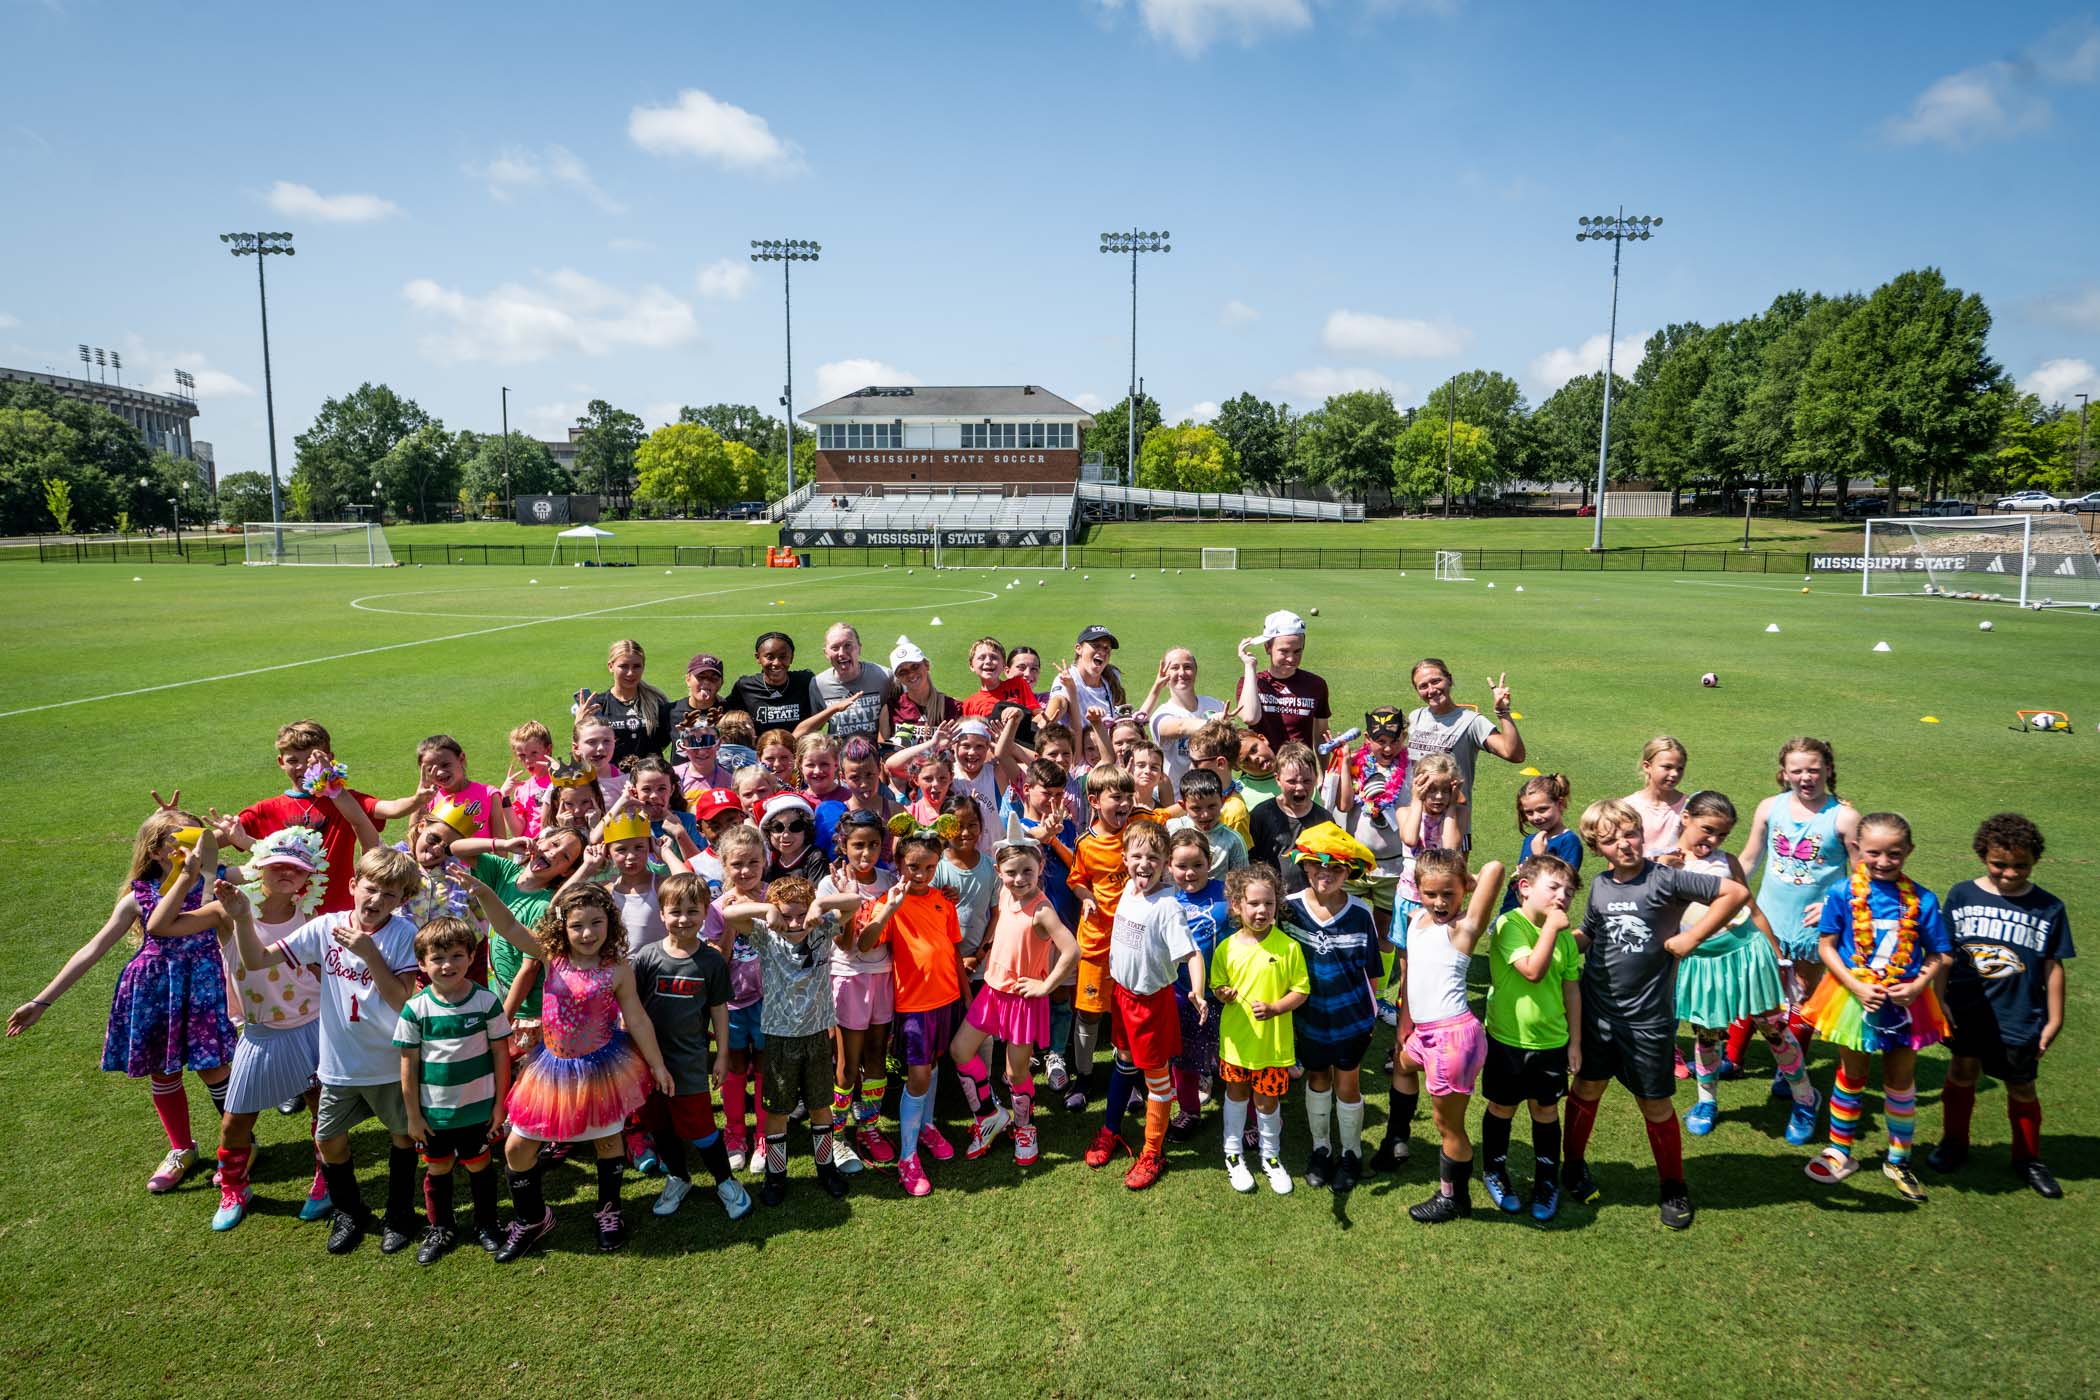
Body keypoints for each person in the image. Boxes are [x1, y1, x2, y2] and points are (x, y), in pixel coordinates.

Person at [8, 812, 236, 1195]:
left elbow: (268, 869)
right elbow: (92, 950)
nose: (192, 845)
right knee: (163, 1073)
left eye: (197, 837)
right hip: (151, 990)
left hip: (201, 988)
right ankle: (182, 1149)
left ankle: (238, 1145)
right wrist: (41, 1001)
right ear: (155, 850)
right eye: (180, 839)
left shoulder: (216, 881)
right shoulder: (138, 896)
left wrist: (239, 841)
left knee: (214, 1069)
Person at [224, 846, 425, 1256]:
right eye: (371, 889)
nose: (376, 901)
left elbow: (402, 1000)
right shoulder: (324, 928)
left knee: (403, 1138)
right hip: (337, 1065)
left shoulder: (404, 935)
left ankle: (400, 1213)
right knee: (329, 1139)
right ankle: (349, 1211)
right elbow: (258, 959)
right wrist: (244, 917)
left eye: (390, 896)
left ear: (403, 901)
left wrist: (369, 955)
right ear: (353, 885)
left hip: (389, 1062)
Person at [1561, 798, 1747, 1231]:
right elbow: (1590, 933)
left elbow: (1735, 893)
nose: (1624, 845)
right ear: (1596, 847)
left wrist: (1693, 937)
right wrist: (1551, 941)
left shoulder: (1665, 880)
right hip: (1597, 1010)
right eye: (1610, 840)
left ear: (1642, 834)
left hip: (1647, 1020)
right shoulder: (1602, 886)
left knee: (1655, 1105)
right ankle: (1572, 1166)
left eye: (1630, 834)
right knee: (1587, 1089)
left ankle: (1673, 1186)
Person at [468, 881, 674, 1260]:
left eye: (597, 923)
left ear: (610, 924)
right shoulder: (551, 956)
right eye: (578, 925)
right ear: (563, 927)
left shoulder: (618, 969)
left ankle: (609, 1210)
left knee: (608, 1143)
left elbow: (638, 1019)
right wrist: (484, 893)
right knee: (518, 1147)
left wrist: (657, 1064)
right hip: (551, 1070)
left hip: (603, 1070)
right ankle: (533, 1218)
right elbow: (511, 927)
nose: (587, 933)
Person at [1801, 813, 1953, 1204]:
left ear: (1909, 852)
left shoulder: (1923, 898)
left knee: (1900, 1081)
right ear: (1858, 851)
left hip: (1907, 1003)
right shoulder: (1842, 893)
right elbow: (1826, 946)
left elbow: (1938, 954)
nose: (1883, 861)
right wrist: (1855, 984)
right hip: (1853, 999)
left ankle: (1899, 1159)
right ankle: (1839, 1151)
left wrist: (1919, 984)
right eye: (1874, 853)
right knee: (1852, 1075)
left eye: (1894, 854)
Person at [1931, 813, 2071, 1199]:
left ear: (2035, 861)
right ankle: (1954, 1143)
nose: (2010, 874)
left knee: (2021, 1085)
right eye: (2000, 864)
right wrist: (1940, 998)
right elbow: (1943, 954)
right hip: (1967, 1007)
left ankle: (2028, 1158)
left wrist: (2055, 1018)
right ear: (1983, 856)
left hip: (2020, 1013)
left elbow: (2053, 965)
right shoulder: (1961, 894)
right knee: (1962, 1070)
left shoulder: (2049, 907)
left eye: (2020, 865)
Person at [199, 828, 332, 1231]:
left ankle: (325, 1180)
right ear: (259, 868)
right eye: (278, 864)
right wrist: (201, 875)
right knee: (236, 1121)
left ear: (308, 879)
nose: (286, 872)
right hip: (261, 1034)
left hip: (312, 1025)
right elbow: (163, 925)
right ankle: (236, 1187)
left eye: (296, 868)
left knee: (320, 1107)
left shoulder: (311, 917)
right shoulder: (231, 911)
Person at [1668, 792, 1818, 1145]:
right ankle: (1706, 1102)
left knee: (1773, 1027)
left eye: (1721, 835)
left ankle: (1806, 1099)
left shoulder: (1728, 862)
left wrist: (1779, 957)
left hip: (1746, 952)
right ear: (1686, 817)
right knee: (1707, 1032)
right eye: (1707, 830)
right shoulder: (1664, 863)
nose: (1713, 841)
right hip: (1701, 962)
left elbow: (1752, 908)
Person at [950, 814, 1081, 1166]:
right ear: (999, 871)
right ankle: (991, 1116)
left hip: (1022, 999)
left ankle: (1025, 1127)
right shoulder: (1006, 896)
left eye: (1027, 871)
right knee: (961, 1051)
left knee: (1015, 1073)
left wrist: (1046, 985)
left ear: (1040, 867)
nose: (1019, 879)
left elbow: (1071, 951)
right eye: (1011, 872)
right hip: (992, 992)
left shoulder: (1042, 910)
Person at [714, 876, 850, 1205]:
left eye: (800, 914)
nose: (794, 923)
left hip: (817, 1035)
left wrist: (820, 906)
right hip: (778, 1037)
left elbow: (854, 903)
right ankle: (776, 1176)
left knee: (820, 1105)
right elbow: (728, 916)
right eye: (786, 915)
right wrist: (768, 911)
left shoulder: (822, 929)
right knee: (777, 1110)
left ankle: (826, 1167)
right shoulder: (766, 935)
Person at [1088, 819, 1205, 1191]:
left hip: (1152, 1003)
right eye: (1137, 855)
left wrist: (1198, 991)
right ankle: (1110, 1129)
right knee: (1123, 1061)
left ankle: (1152, 1150)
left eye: (1153, 857)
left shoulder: (1168, 906)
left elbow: (1192, 954)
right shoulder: (1127, 889)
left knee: (1156, 1078)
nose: (1144, 863)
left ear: (1166, 863)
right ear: (1124, 858)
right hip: (1121, 997)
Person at [632, 871, 753, 1221]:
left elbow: (718, 1009)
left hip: (689, 1062)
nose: (683, 919)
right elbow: (633, 1009)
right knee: (661, 1127)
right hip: (647, 1063)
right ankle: (679, 1177)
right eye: (675, 911)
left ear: (704, 913)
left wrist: (723, 1055)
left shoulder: (711, 961)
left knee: (700, 1129)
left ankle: (726, 1181)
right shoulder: (647, 958)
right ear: (662, 915)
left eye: (692, 911)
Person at [1737, 737, 1860, 1081]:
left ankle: (1788, 1072)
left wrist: (1833, 907)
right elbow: (1749, 857)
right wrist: (1728, 895)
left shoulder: (1845, 818)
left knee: (1801, 996)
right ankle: (1733, 1058)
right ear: (1784, 773)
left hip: (1812, 928)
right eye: (1797, 771)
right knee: (1756, 987)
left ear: (1829, 770)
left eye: (1814, 770)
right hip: (1766, 919)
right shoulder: (1769, 808)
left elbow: (1863, 877)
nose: (1806, 777)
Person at [852, 831, 967, 1197]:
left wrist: (966, 999)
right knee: (917, 1077)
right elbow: (865, 943)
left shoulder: (943, 902)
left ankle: (927, 1126)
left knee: (932, 1068)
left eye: (930, 867)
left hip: (946, 1000)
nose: (921, 874)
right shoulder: (888, 900)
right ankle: (907, 1157)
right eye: (913, 866)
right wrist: (890, 908)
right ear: (899, 864)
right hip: (912, 1006)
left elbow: (952, 951)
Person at [393, 916, 513, 1265]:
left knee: (479, 1166)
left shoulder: (486, 1002)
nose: (448, 965)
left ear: (472, 956)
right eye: (438, 958)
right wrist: (413, 1116)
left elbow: (501, 1054)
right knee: (438, 1168)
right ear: (421, 963)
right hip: (435, 1115)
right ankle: (441, 1227)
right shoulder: (416, 1009)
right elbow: (408, 1065)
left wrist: (499, 1107)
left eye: (457, 956)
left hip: (477, 1110)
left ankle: (487, 1224)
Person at [1395, 850, 1506, 1223]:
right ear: (1418, 891)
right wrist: (1404, 1022)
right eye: (1432, 894)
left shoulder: (1463, 928)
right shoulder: (1415, 920)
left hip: (1453, 1039)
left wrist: (1466, 879)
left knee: (1448, 1127)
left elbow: (1495, 868)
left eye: (1450, 894)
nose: (1440, 903)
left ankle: (1453, 1199)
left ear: (1464, 891)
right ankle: (1396, 1139)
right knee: (1402, 1066)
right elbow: (1411, 978)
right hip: (1424, 1035)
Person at [1477, 854, 1581, 1222]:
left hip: (1550, 1043)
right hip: (1507, 1040)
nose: (1562, 897)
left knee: (1545, 1109)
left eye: (1568, 893)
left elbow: (1571, 991)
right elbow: (1533, 971)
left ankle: (1546, 1181)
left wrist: (1575, 1043)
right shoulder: (1510, 926)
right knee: (1502, 1107)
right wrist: (1552, 928)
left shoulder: (1566, 939)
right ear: (1524, 888)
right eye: (1554, 887)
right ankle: (1495, 1171)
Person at [220, 720, 414, 913]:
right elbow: (215, 839)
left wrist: (419, 798)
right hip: (284, 915)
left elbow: (393, 809)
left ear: (329, 758)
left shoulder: (346, 802)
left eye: (311, 761)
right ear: (281, 762)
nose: (302, 768)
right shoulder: (265, 809)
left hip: (338, 912)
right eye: (293, 761)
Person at [1283, 822, 1383, 1193]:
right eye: (1318, 865)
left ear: (1350, 872)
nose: (1326, 873)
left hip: (1350, 1021)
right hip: (1308, 1020)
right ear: (1305, 866)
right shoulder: (1288, 910)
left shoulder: (1361, 913)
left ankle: (1352, 1153)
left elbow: (1371, 973)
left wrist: (1369, 1017)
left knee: (1348, 1083)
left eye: (1337, 868)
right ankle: (1321, 1149)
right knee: (1317, 1078)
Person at [1210, 864, 1310, 1194]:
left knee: (1267, 1104)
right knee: (1236, 1097)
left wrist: (1276, 1008)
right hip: (1237, 1045)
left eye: (1268, 903)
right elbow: (1218, 986)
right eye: (1253, 903)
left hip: (1273, 1048)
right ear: (1237, 905)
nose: (1261, 910)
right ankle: (1233, 1155)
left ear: (1277, 904)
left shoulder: (1289, 947)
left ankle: (1270, 1158)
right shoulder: (1225, 948)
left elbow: (1301, 990)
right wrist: (1222, 993)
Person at [821, 811, 898, 1168]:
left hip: (883, 976)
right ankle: (837, 1135)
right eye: (857, 845)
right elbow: (845, 944)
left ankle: (868, 1127)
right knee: (847, 1064)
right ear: (843, 845)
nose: (865, 853)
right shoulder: (829, 885)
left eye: (873, 845)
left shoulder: (890, 879)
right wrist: (848, 903)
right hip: (848, 978)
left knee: (877, 1055)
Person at [1065, 764, 1137, 1111]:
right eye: (1115, 797)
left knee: (1126, 1011)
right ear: (1094, 801)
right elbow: (1077, 879)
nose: (1124, 804)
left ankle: (1131, 1076)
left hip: (1133, 943)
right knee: (1090, 1012)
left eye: (1128, 796)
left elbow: (1172, 808)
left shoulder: (1139, 828)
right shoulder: (1086, 843)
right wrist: (1087, 897)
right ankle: (1085, 1076)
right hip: (1095, 943)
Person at [1403, 659, 1524, 834]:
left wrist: (1503, 712)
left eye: (1436, 681)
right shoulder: (1416, 717)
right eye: (1423, 686)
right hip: (1416, 820)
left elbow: (1514, 754)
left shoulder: (1471, 721)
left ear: (1449, 679)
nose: (1431, 690)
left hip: (1454, 822)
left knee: (1452, 863)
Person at [1165, 828, 1229, 1140]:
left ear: (1210, 862)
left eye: (1197, 864)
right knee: (1184, 1058)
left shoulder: (1227, 894)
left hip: (1223, 993)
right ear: (1169, 866)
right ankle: (1189, 1110)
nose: (1190, 873)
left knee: (1231, 1058)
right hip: (1180, 993)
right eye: (1181, 866)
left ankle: (1248, 1114)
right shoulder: (1166, 900)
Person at [1232, 610, 1330, 750]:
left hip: (1301, 769)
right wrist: (1249, 666)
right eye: (1284, 651)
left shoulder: (1316, 685)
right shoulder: (1251, 683)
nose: (1291, 659)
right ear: (1268, 648)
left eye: (1297, 651)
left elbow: (1321, 736)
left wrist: (1323, 771)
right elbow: (1250, 717)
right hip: (1262, 768)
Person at [1249, 741, 1334, 896]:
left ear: (1316, 778)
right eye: (1292, 781)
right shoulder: (1262, 815)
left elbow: (1331, 864)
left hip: (1311, 901)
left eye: (1307, 781)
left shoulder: (1324, 819)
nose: (1300, 787)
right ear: (1277, 779)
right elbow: (1251, 861)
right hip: (1273, 900)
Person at [573, 639, 674, 764]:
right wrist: (578, 724)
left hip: (648, 780)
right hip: (611, 780)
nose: (630, 673)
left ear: (643, 667)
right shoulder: (597, 706)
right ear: (611, 667)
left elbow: (662, 743)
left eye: (636, 666)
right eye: (623, 666)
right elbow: (580, 757)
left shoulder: (657, 703)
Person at [1139, 647, 1226, 787]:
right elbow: (1180, 727)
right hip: (1175, 798)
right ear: (1164, 674)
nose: (1181, 673)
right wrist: (1213, 723)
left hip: (1214, 795)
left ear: (1196, 671)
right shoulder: (1161, 715)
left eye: (1187, 667)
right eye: (1174, 667)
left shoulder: (1215, 705)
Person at [1501, 772, 1580, 913]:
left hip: (1541, 916)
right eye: (1529, 812)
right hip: (1512, 910)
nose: (1536, 817)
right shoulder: (1530, 840)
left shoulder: (1569, 841)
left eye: (1542, 809)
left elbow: (1567, 884)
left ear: (1560, 804)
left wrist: (1540, 857)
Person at [415, 734, 509, 841]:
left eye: (445, 765)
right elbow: (414, 839)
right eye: (430, 769)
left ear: (461, 758)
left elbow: (500, 842)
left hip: (480, 858)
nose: (440, 773)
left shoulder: (489, 794)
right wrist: (419, 801)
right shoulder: (428, 799)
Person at [806, 622, 889, 741]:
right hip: (838, 757)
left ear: (859, 648)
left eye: (848, 645)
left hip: (874, 756)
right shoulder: (819, 684)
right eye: (835, 648)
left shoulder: (884, 676)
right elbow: (813, 729)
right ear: (826, 653)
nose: (842, 653)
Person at [728, 631, 820, 735]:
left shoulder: (805, 681)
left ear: (792, 657)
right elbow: (723, 712)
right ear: (758, 658)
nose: (776, 663)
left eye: (782, 657)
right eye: (769, 657)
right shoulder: (745, 687)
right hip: (761, 750)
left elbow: (820, 716)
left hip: (799, 749)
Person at [1165, 768, 1249, 878]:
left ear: (1223, 801)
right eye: (1196, 808)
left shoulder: (1232, 841)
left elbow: (1242, 883)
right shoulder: (1171, 829)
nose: (1205, 815)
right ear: (1183, 806)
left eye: (1211, 807)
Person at [1624, 736, 1689, 859]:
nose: (1675, 774)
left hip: (1678, 876)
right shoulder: (1628, 807)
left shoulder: (1689, 806)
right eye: (1667, 767)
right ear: (1647, 766)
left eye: (1680, 769)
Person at [880, 635, 950, 744]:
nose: (911, 674)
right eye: (903, 672)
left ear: (926, 665)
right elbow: (884, 755)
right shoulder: (890, 709)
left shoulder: (952, 706)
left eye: (915, 666)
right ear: (898, 678)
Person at [503, 721, 557, 841]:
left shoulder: (561, 779)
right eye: (522, 755)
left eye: (534, 753)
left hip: (556, 846)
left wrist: (560, 777)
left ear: (548, 749)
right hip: (530, 850)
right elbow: (517, 831)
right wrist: (504, 797)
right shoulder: (522, 790)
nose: (528, 760)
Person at [666, 651, 726, 736]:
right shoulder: (670, 711)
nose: (706, 682)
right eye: (701, 677)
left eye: (714, 678)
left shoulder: (729, 712)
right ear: (688, 679)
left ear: (722, 683)